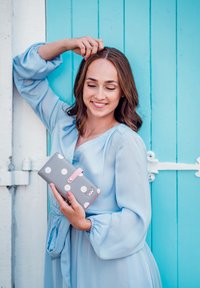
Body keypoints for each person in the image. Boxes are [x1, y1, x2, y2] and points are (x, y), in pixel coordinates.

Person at [13, 36, 162, 288]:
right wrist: (67, 46)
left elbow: (136, 219)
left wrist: (86, 223)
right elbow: (24, 74)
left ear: (123, 91)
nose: (99, 95)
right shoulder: (62, 123)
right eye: (92, 84)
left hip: (111, 266)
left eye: (110, 87)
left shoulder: (125, 142)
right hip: (64, 254)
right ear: (81, 85)